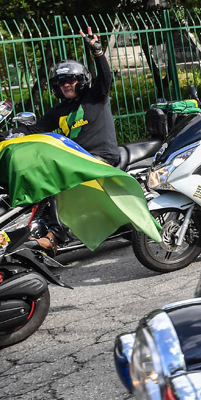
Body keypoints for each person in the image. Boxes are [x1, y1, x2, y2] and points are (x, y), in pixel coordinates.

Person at [20, 28, 117, 254]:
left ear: (81, 80)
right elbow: (34, 129)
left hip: (101, 158)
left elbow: (106, 78)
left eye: (71, 80)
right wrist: (10, 134)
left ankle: (55, 236)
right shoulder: (59, 111)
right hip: (78, 161)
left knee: (58, 177)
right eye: (61, 81)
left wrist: (98, 51)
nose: (66, 84)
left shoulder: (96, 97)